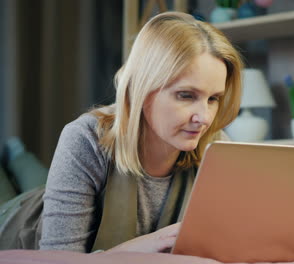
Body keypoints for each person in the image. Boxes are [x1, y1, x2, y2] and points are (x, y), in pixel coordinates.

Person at [39, 11, 243, 253]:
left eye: (213, 99)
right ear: (142, 90)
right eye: (186, 95)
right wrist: (152, 244)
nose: (204, 118)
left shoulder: (216, 146)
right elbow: (57, 258)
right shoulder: (85, 138)